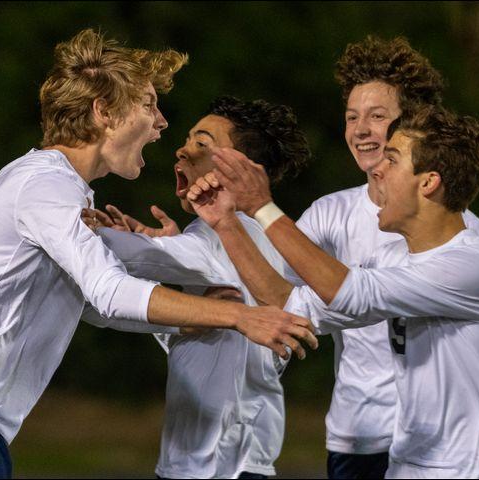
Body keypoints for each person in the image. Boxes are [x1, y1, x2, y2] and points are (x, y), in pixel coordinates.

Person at [0, 30, 317, 479]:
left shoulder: (52, 186)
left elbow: (95, 302)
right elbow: (111, 292)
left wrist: (183, 310)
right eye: (149, 104)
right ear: (104, 112)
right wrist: (237, 316)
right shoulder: (48, 187)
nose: (162, 123)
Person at [206, 36, 479, 479]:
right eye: (352, 117)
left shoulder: (458, 235)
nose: (360, 129)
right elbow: (277, 293)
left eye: (377, 117)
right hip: (357, 433)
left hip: (439, 443)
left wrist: (261, 206)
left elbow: (351, 293)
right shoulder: (330, 212)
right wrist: (211, 230)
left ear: (410, 125)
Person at [81, 95, 312, 479]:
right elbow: (197, 332)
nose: (183, 150)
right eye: (189, 139)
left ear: (242, 169)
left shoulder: (238, 233)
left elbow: (139, 264)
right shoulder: (235, 236)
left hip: (221, 464)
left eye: (202, 143)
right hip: (210, 460)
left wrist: (84, 235)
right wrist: (166, 261)